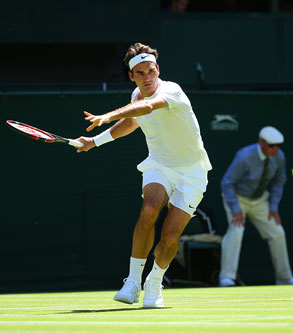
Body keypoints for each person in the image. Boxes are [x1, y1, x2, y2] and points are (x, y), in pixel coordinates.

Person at [75, 42, 212, 307]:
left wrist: (106, 115)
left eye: (150, 71)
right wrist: (94, 141)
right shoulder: (135, 98)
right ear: (131, 76)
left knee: (170, 237)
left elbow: (148, 109)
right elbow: (132, 122)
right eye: (140, 73)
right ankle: (133, 281)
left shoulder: (172, 90)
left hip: (193, 172)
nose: (147, 78)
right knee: (149, 209)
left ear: (157, 69)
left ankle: (154, 282)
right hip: (159, 164)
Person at [219, 126, 293, 287]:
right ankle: (226, 277)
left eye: (278, 145)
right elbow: (227, 183)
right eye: (272, 145)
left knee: (277, 232)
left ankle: (284, 278)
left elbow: (279, 182)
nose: (275, 149)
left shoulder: (279, 157)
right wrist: (236, 209)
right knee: (236, 230)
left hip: (260, 201)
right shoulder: (244, 156)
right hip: (237, 198)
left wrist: (274, 207)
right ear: (261, 143)